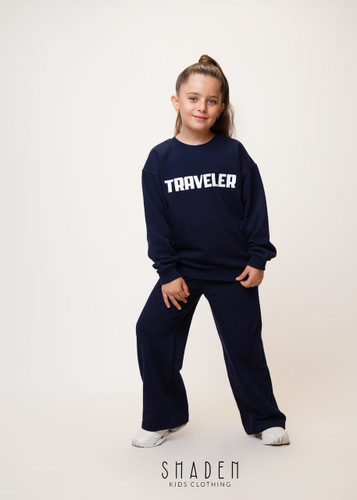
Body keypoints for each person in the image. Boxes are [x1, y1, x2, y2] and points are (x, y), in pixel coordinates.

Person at [132, 54, 290, 448]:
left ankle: (265, 420)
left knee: (244, 347)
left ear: (221, 107)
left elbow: (255, 208)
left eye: (212, 100)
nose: (202, 107)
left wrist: (258, 258)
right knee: (151, 331)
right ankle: (163, 417)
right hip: (182, 274)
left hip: (233, 272)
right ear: (176, 102)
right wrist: (168, 272)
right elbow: (157, 223)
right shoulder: (159, 160)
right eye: (193, 98)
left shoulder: (234, 154)